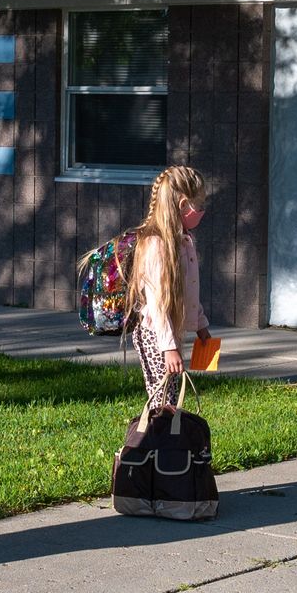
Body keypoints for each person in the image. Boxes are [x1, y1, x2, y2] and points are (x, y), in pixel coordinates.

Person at [127, 165, 211, 416]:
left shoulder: (182, 241)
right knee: (162, 398)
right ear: (184, 205)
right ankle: (154, 446)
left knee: (170, 399)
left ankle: (164, 447)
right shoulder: (156, 244)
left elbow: (188, 290)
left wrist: (201, 326)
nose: (203, 210)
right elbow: (158, 302)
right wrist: (169, 347)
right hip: (155, 335)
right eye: (201, 204)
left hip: (169, 335)